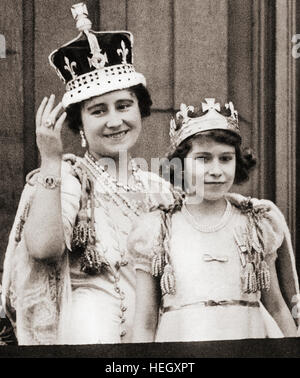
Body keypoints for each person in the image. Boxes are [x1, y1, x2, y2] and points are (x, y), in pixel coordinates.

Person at [1, 3, 174, 345]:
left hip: (158, 332)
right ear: (80, 125)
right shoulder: (70, 179)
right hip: (90, 333)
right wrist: (50, 161)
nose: (115, 121)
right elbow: (42, 249)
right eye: (98, 111)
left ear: (141, 109)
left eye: (124, 106)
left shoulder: (160, 187)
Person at [129, 99, 299, 342]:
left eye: (225, 158)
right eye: (203, 158)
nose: (216, 170)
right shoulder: (157, 229)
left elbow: (277, 307)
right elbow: (145, 323)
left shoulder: (255, 223)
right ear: (180, 164)